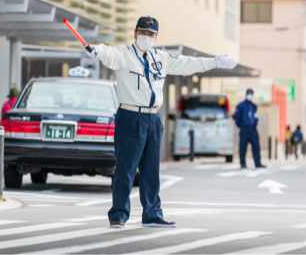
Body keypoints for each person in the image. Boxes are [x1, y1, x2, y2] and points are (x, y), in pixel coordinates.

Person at [83, 16, 236, 229]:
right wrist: (96, 50)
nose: (146, 37)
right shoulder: (124, 54)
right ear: (135, 32)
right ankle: (118, 214)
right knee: (125, 170)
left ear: (156, 36)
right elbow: (109, 54)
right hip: (130, 116)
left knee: (151, 171)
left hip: (153, 118)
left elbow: (186, 64)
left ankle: (152, 214)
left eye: (150, 34)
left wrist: (215, 61)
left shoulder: (160, 57)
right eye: (142, 32)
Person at [234, 88, 266, 169]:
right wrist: (241, 125)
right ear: (246, 94)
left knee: (256, 146)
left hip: (253, 129)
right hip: (244, 129)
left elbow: (255, 116)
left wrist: (255, 122)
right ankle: (243, 163)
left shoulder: (254, 106)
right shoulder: (240, 106)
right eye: (249, 94)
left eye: (251, 94)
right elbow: (236, 117)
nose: (250, 95)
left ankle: (258, 163)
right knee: (242, 147)